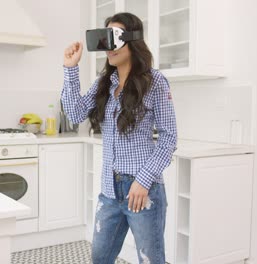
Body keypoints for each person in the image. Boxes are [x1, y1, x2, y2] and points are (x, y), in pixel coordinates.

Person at [61, 12, 177, 264]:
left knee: (151, 260)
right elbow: (74, 112)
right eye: (104, 39)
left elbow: (169, 138)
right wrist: (71, 69)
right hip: (109, 192)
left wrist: (143, 181)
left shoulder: (155, 81)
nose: (108, 48)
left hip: (143, 191)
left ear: (132, 40)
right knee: (100, 259)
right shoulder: (105, 83)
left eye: (113, 38)